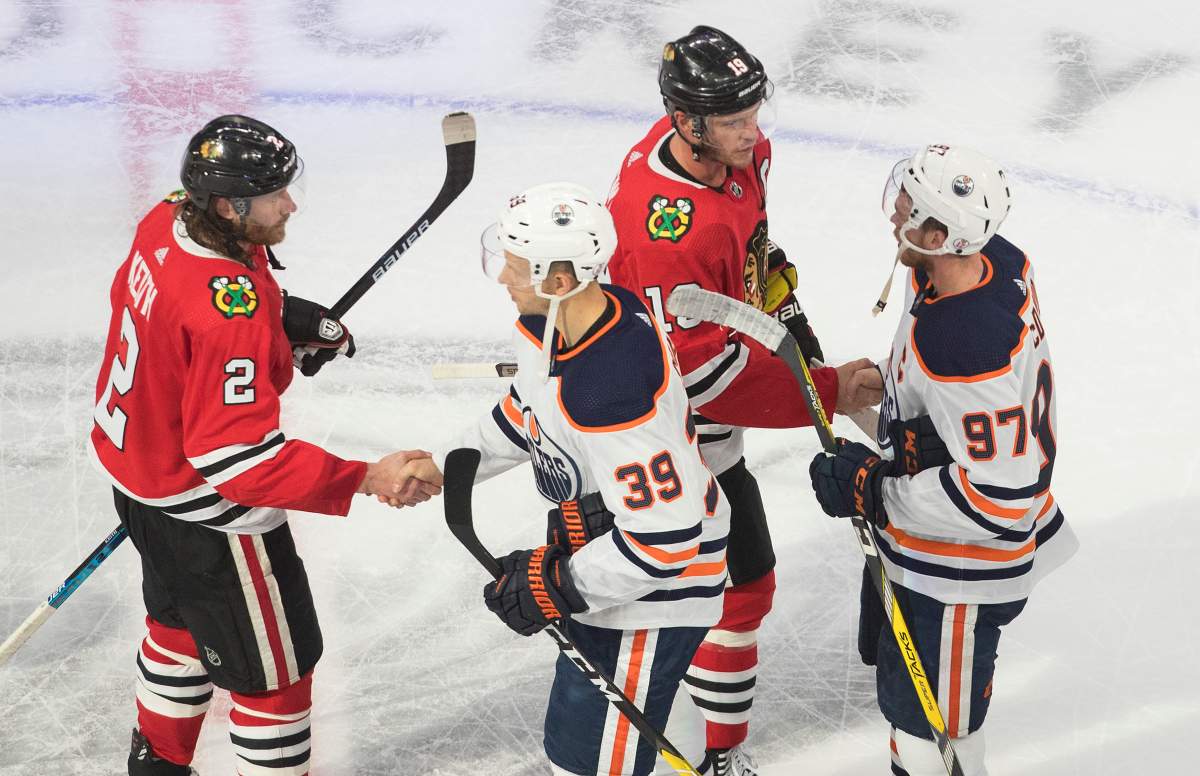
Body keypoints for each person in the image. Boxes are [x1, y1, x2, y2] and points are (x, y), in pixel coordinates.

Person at [87, 114, 436, 775]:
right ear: (228, 204)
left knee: (180, 630)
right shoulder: (228, 311)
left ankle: (154, 766)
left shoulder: (166, 219)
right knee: (276, 681)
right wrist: (367, 476)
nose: (290, 203)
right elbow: (241, 463)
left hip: (141, 483)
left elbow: (190, 315)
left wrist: (282, 319)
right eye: (274, 193)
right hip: (212, 518)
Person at [604, 25, 877, 774]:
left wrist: (776, 289)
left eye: (755, 111)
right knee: (726, 590)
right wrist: (824, 389)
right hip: (661, 428)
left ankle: (715, 750)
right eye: (733, 120)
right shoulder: (669, 226)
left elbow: (751, 244)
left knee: (736, 589)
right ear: (687, 122)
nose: (753, 132)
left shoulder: (739, 152)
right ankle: (695, 754)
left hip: (694, 403)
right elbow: (704, 378)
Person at [398, 182, 732, 775]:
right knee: (648, 708)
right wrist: (449, 466)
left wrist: (559, 585)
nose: (503, 276)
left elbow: (664, 541)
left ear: (558, 281)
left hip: (653, 592)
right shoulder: (571, 320)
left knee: (586, 757)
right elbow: (527, 409)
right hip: (620, 560)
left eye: (517, 265)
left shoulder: (612, 391)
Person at [807, 144, 1079, 775]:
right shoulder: (984, 264)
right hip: (936, 549)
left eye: (910, 206)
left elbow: (998, 498)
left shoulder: (962, 345)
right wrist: (885, 386)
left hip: (960, 569)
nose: (894, 210)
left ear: (940, 231)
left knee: (937, 736)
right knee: (913, 715)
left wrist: (873, 491)